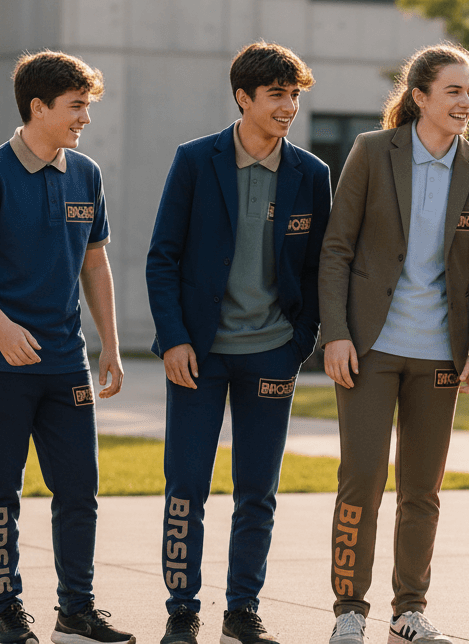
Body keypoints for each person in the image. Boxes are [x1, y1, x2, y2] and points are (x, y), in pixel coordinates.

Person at [145, 42, 332, 644]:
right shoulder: (196, 162)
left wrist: (299, 343)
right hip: (199, 355)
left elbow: (316, 270)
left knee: (258, 490)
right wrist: (173, 339)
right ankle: (181, 607)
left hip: (272, 351)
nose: (288, 107)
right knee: (187, 486)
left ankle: (242, 609)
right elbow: (162, 258)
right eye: (276, 95)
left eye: (294, 95)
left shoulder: (311, 174)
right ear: (243, 97)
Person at [0, 51, 134, 644]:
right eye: (76, 106)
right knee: (0, 492)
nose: (85, 117)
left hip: (66, 360)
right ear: (38, 106)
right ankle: (6, 611)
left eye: (87, 106)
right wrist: (1, 327)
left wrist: (110, 343)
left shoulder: (86, 174)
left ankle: (76, 611)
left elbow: (95, 262)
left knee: (79, 488)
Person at [319, 44, 469, 644]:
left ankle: (408, 611)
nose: (466, 101)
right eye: (453, 90)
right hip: (370, 347)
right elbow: (336, 248)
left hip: (441, 352)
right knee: (363, 479)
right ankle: (350, 608)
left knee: (422, 489)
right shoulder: (373, 151)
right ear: (419, 97)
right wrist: (337, 334)